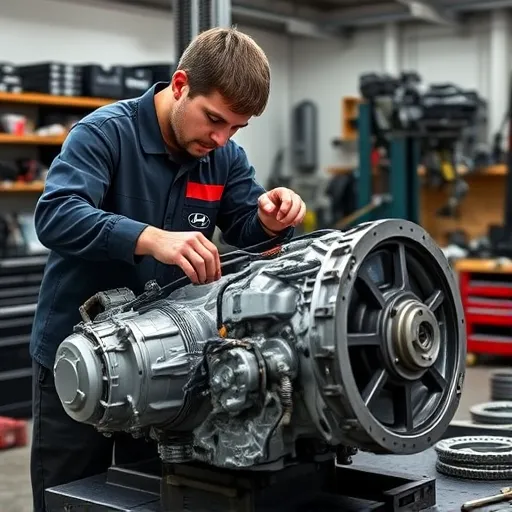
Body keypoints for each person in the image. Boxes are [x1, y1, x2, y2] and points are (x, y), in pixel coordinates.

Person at [29, 26, 306, 511]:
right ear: (180, 85)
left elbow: (246, 227)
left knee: (152, 498)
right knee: (69, 497)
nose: (221, 139)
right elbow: (56, 215)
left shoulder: (224, 157)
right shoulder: (103, 134)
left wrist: (269, 219)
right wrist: (149, 237)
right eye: (214, 119)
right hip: (79, 352)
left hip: (166, 364)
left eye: (236, 129)